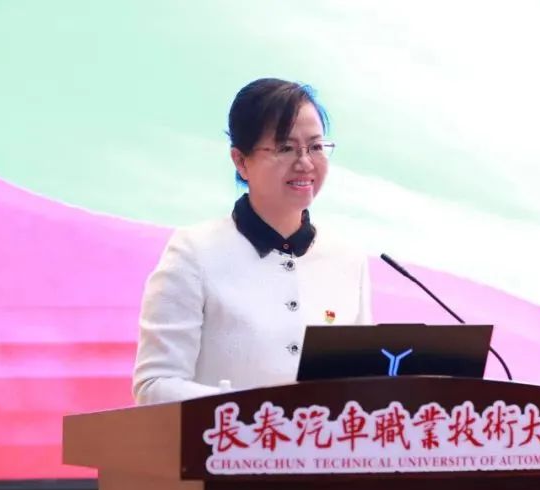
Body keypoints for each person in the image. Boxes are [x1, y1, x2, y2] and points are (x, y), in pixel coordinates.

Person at [133, 79, 373, 405]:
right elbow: (154, 386)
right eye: (285, 148)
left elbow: (363, 384)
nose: (305, 162)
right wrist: (254, 412)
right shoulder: (194, 252)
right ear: (241, 161)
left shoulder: (348, 259)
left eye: (316, 147)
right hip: (228, 439)